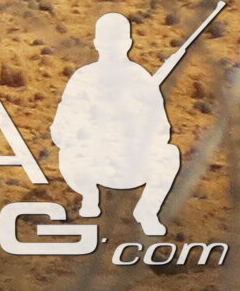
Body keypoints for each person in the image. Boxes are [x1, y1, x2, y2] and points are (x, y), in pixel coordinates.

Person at [53, 13, 180, 237]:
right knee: (69, 151)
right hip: (92, 164)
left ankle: (147, 211)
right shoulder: (84, 78)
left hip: (130, 166)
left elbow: (162, 131)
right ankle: (89, 195)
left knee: (169, 154)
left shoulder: (140, 80)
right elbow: (60, 131)